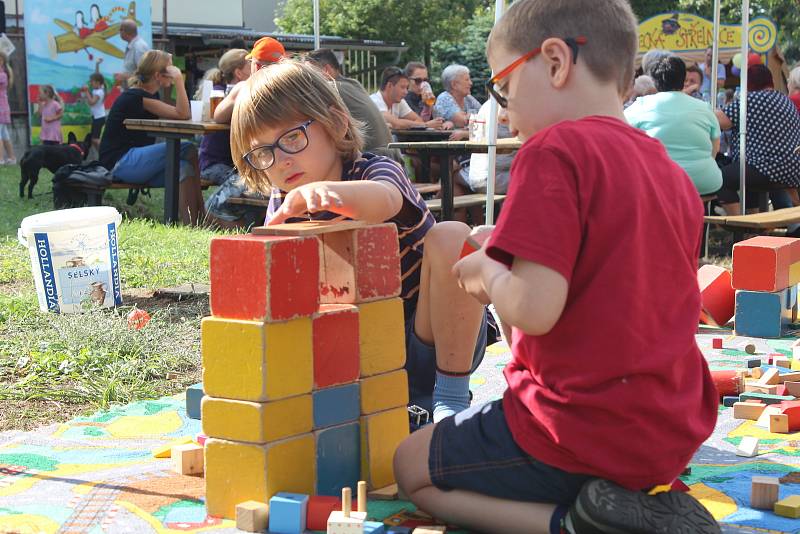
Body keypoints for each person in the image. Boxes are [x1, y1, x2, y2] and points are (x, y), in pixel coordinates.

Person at [393, 0, 720, 533]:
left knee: (411, 469)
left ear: (554, 61)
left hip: (575, 428)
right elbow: (610, 266)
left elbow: (536, 309)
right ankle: (618, 503)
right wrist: (508, 247)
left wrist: (488, 275)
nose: (504, 109)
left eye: (503, 87)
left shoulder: (553, 150)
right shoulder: (666, 169)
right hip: (668, 431)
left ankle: (571, 524)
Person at [230, 59, 493, 423]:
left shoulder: (375, 168)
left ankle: (449, 398)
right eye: (264, 153)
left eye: (292, 137)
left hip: (432, 337)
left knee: (451, 235)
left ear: (335, 123)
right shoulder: (284, 200)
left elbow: (384, 200)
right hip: (359, 354)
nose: (281, 161)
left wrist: (332, 194)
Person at [99, 50, 205, 225]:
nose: (174, 71)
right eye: (171, 68)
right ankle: (200, 213)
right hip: (119, 163)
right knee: (187, 148)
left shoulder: (148, 96)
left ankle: (194, 223)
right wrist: (179, 80)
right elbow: (183, 113)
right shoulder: (136, 96)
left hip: (132, 163)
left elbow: (177, 113)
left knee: (183, 169)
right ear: (158, 75)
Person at [626, 56, 722, 196]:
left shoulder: (641, 105)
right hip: (704, 181)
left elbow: (620, 130)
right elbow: (715, 147)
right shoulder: (704, 107)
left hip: (657, 181)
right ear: (683, 80)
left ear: (654, 81)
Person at [715, 63, 800, 214]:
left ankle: (741, 223)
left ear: (748, 83)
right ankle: (755, 225)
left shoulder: (751, 100)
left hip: (767, 167)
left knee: (720, 179)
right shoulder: (785, 100)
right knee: (744, 170)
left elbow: (719, 121)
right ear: (771, 81)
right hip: (792, 169)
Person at [305, 48, 395, 156]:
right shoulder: (353, 84)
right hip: (391, 157)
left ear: (326, 70)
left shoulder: (331, 87)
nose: (308, 80)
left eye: (310, 74)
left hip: (372, 162)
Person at [199, 49, 251, 185]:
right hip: (214, 164)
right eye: (250, 65)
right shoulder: (219, 93)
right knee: (245, 186)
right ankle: (215, 206)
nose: (255, 70)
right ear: (239, 73)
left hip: (234, 164)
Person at [212, 37, 285, 124]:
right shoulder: (293, 88)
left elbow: (218, 117)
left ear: (257, 65)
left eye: (251, 61)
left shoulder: (244, 88)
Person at [370, 67, 444, 129]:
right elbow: (397, 124)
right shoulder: (375, 101)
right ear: (389, 86)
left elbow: (418, 120)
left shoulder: (399, 101)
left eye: (406, 87)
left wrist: (407, 124)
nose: (406, 92)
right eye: (402, 87)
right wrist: (426, 125)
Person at [404, 61, 449, 126]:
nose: (422, 84)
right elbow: (416, 126)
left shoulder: (427, 97)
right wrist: (426, 106)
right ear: (407, 80)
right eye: (418, 80)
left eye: (425, 80)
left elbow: (439, 119)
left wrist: (448, 123)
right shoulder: (403, 99)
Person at [114, 19, 150, 86]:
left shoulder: (139, 47)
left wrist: (124, 76)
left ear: (125, 31)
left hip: (138, 92)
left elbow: (144, 75)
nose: (119, 32)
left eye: (120, 30)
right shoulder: (133, 45)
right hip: (132, 90)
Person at [81, 64, 107, 155]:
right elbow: (98, 74)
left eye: (92, 81)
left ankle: (104, 153)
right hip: (96, 117)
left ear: (98, 82)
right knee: (93, 139)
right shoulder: (98, 89)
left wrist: (87, 91)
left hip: (99, 118)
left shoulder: (99, 92)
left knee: (95, 139)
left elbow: (92, 102)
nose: (90, 83)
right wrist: (97, 64)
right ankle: (102, 154)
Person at [0, 51, 15, 164]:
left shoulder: (2, 75)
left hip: (1, 107)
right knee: (4, 134)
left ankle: (0, 159)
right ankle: (11, 158)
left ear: (2, 61)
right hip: (3, 107)